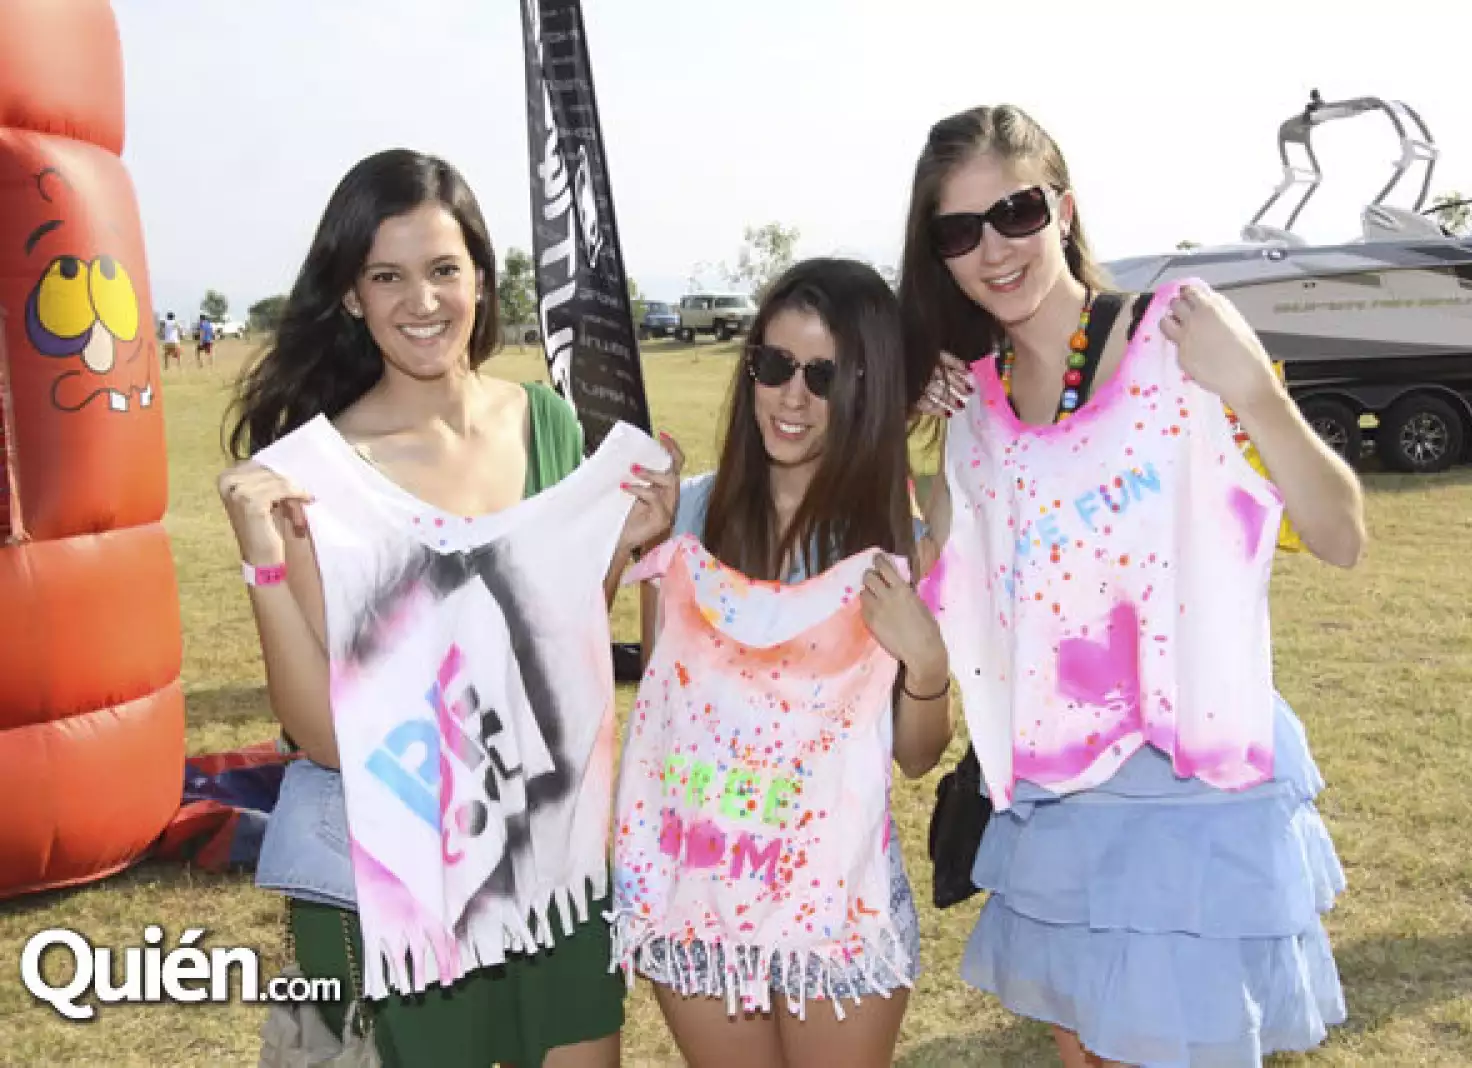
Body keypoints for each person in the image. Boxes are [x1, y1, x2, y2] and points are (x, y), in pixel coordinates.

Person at [899, 105, 1366, 1068]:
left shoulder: (1177, 334)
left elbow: (1341, 534)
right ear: (939, 255)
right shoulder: (976, 414)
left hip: (1194, 792)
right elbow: (927, 593)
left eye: (1017, 211)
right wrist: (899, 429)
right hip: (1064, 813)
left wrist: (1258, 393)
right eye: (960, 230)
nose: (994, 248)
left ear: (1062, 209)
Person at [219, 147, 680, 1068]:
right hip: (401, 892)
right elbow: (321, 735)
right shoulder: (320, 474)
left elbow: (557, 645)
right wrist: (265, 563)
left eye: (442, 270)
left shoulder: (548, 422)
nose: (421, 302)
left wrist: (624, 546)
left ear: (480, 275)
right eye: (386, 276)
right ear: (351, 295)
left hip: (553, 861)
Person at [627, 258, 953, 1068]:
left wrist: (928, 664)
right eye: (772, 366)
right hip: (698, 885)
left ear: (867, 386)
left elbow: (915, 758)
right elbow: (664, 708)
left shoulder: (899, 536)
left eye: (824, 375)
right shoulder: (690, 515)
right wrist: (645, 543)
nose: (792, 398)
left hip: (835, 900)